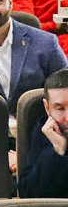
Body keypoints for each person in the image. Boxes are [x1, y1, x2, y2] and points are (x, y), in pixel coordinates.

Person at [18, 69, 68, 197]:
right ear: (47, 108)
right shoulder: (46, 131)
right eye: (60, 109)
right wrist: (57, 151)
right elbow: (28, 194)